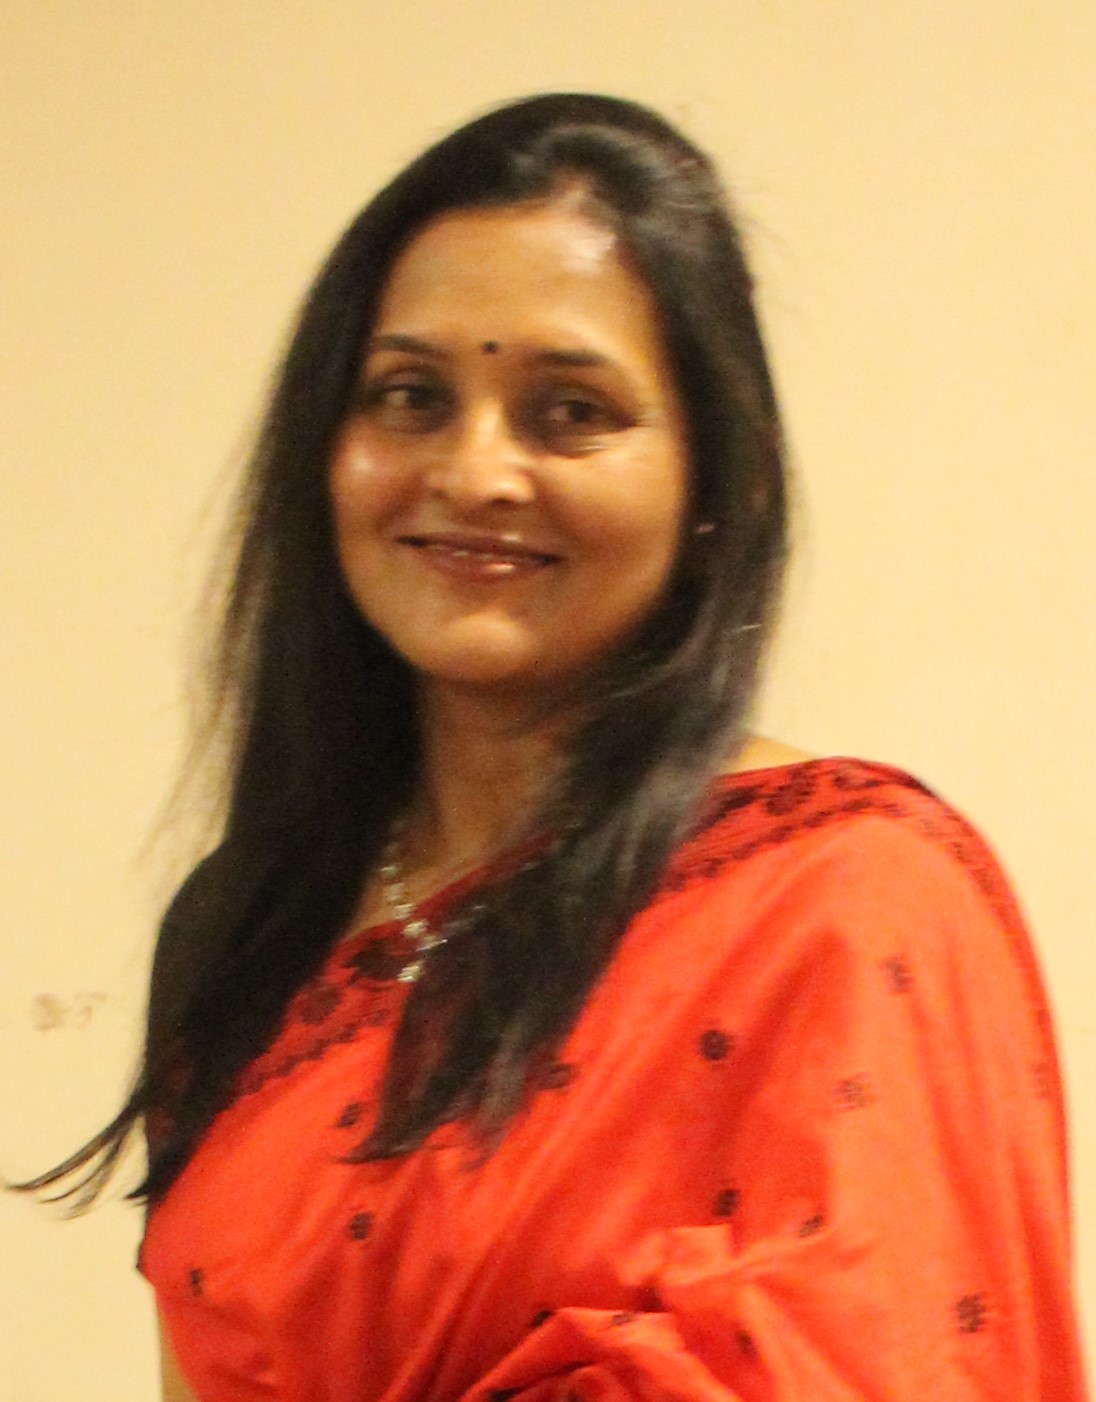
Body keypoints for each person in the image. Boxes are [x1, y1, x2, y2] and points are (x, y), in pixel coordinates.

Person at [22, 93, 1086, 1400]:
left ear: (725, 478)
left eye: (570, 411)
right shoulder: (247, 918)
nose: (474, 471)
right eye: (410, 397)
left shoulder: (848, 899)